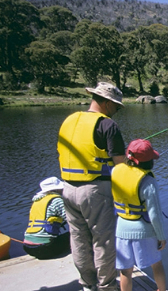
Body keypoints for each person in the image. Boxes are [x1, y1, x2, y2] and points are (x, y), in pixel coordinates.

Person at [57, 82, 126, 291]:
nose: (117, 110)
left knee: (78, 239)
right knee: (103, 241)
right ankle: (106, 286)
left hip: (67, 189)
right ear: (105, 103)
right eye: (116, 106)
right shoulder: (107, 125)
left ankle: (87, 284)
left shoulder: (69, 120)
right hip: (95, 191)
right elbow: (120, 166)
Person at [112, 139, 167, 291]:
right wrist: (161, 236)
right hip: (144, 231)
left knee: (125, 271)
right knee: (157, 264)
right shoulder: (148, 181)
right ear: (149, 161)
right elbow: (154, 214)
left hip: (121, 228)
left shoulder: (115, 171)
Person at [23, 177, 70, 259]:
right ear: (56, 189)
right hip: (46, 248)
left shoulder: (36, 201)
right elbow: (72, 220)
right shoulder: (57, 200)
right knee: (76, 236)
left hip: (28, 248)